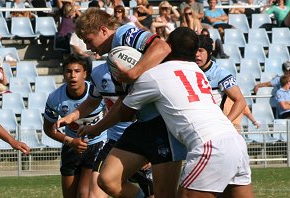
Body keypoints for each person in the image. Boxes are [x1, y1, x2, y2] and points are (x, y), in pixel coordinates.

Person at [78, 27, 254, 198]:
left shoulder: (154, 75)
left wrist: (95, 128)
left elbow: (125, 114)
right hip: (235, 142)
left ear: (168, 45)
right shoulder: (197, 72)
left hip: (209, 146)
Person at [55, 60, 155, 198]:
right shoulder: (97, 73)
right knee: (95, 193)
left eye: (88, 39)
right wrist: (71, 117)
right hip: (114, 141)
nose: (87, 45)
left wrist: (150, 152)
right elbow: (91, 102)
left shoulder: (144, 69)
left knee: (155, 192)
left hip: (143, 141)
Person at [43, 55, 108, 198]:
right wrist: (70, 141)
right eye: (68, 71)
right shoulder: (55, 98)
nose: (73, 75)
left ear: (85, 74)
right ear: (64, 74)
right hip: (71, 146)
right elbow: (48, 129)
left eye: (77, 71)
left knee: (84, 193)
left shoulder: (97, 92)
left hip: (98, 145)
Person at [75, 8, 171, 83]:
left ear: (103, 30)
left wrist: (134, 73)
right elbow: (123, 99)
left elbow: (162, 47)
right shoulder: (112, 57)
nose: (87, 47)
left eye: (89, 41)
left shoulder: (122, 34)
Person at [195, 35, 246, 122]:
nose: (197, 55)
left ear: (209, 52)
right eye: (194, 51)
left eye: (201, 51)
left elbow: (241, 101)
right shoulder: (187, 70)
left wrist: (226, 123)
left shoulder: (221, 74)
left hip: (212, 125)